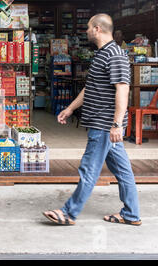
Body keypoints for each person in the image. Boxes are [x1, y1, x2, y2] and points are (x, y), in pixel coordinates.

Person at [42, 13, 141, 226]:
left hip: (104, 124)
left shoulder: (114, 54)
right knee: (123, 172)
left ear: (97, 29)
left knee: (89, 168)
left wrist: (116, 124)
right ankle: (131, 214)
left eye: (88, 27)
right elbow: (90, 88)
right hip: (103, 124)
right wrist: (70, 108)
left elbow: (122, 90)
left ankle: (68, 213)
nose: (86, 31)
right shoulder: (102, 54)